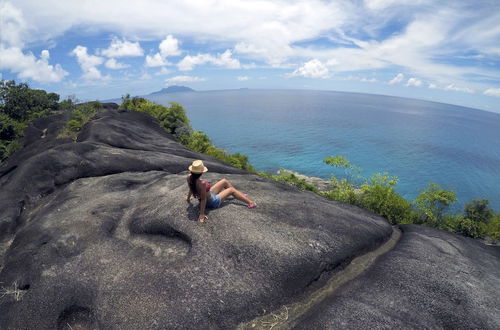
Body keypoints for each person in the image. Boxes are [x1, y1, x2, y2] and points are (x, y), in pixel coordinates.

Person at [186, 160, 256, 222]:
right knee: (231, 190)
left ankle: (239, 195)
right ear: (201, 172)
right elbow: (203, 199)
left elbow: (191, 188)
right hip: (212, 202)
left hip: (210, 194)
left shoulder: (189, 177)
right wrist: (201, 214)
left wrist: (188, 198)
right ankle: (250, 203)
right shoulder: (202, 183)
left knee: (224, 181)